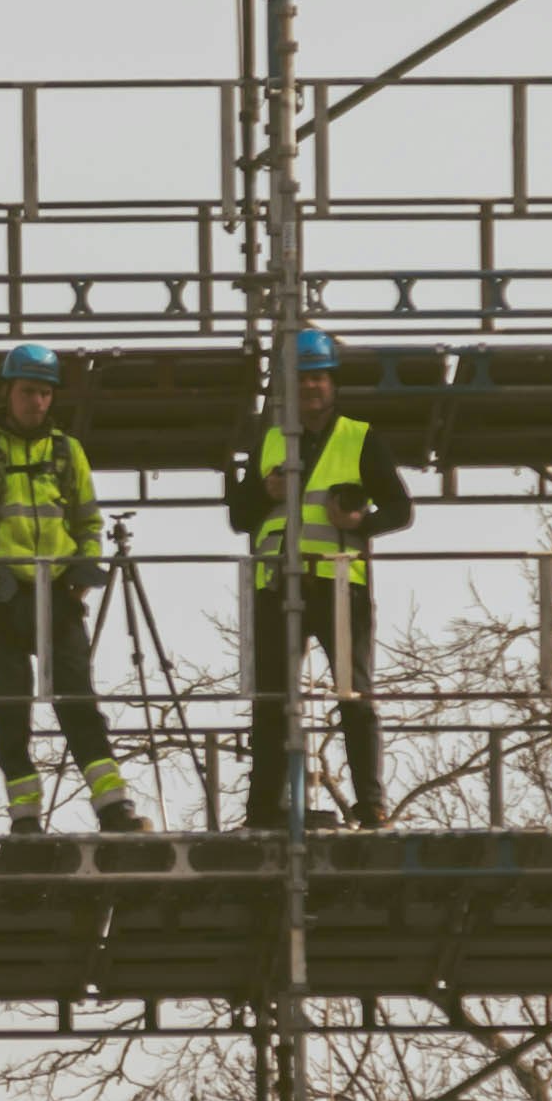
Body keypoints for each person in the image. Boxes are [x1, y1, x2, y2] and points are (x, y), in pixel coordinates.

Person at [0, 343, 151, 834]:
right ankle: (25, 817)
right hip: (4, 598)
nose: (37, 402)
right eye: (29, 391)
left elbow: (89, 521)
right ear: (8, 392)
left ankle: (113, 808)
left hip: (57, 595)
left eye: (45, 393)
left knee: (78, 703)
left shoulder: (66, 451)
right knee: (11, 709)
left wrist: (83, 567)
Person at [225, 324, 407, 828]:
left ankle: (370, 803)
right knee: (271, 703)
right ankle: (263, 808)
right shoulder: (267, 441)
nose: (311, 387)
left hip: (338, 582)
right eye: (302, 378)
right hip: (275, 586)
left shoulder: (360, 437)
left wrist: (360, 522)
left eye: (319, 378)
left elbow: (400, 507)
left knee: (354, 696)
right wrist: (264, 490)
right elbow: (239, 516)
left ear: (332, 383)